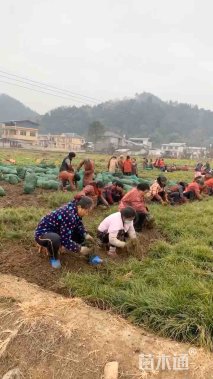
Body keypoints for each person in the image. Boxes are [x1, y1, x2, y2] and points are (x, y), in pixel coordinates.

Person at [35, 197, 94, 268]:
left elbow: (79, 224)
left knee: (80, 233)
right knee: (55, 239)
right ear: (79, 207)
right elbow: (65, 240)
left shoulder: (74, 209)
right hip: (43, 234)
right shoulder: (69, 215)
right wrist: (79, 249)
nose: (87, 214)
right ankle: (54, 258)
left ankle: (90, 256)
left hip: (57, 231)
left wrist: (85, 234)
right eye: (86, 211)